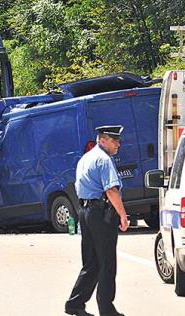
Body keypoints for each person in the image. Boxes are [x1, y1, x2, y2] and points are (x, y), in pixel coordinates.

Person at [65, 125, 129, 316]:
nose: (118, 144)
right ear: (102, 140)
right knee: (107, 262)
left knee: (91, 262)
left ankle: (75, 304)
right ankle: (106, 309)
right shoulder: (103, 160)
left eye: (118, 140)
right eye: (114, 140)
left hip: (86, 211)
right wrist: (123, 215)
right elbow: (111, 190)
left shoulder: (86, 158)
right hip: (100, 214)